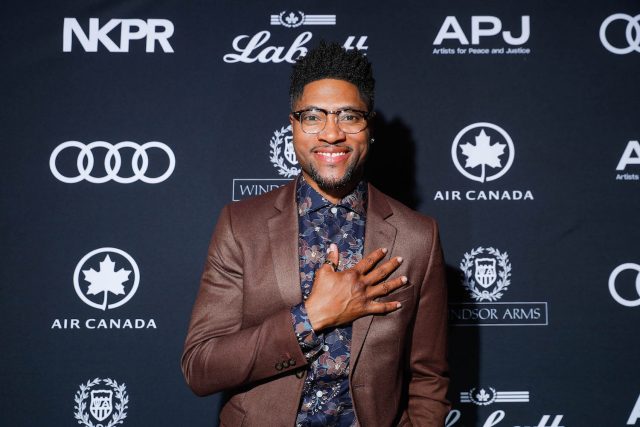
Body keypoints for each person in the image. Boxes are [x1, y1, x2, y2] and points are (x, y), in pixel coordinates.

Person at [182, 41, 449, 426]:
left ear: (369, 127)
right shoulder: (241, 226)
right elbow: (201, 367)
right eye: (313, 116)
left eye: (349, 116)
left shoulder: (417, 236)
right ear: (293, 126)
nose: (331, 133)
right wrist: (309, 318)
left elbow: (429, 377)